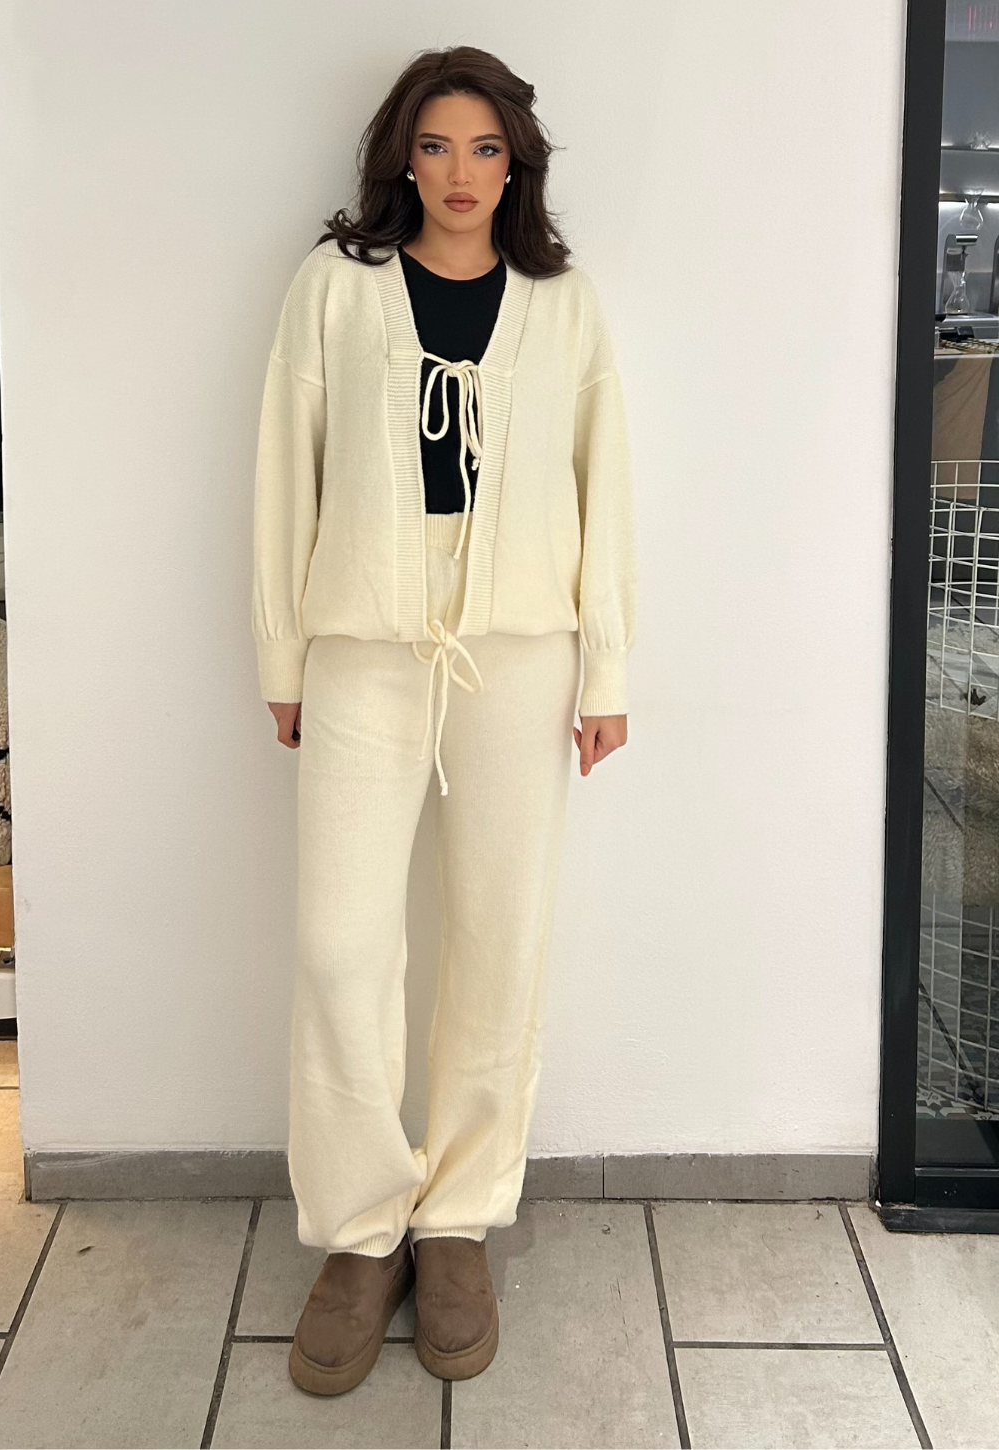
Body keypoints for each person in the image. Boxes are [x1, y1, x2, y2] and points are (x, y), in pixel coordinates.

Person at [251, 43, 637, 1396]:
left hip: (518, 653)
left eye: (485, 148)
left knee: (498, 933)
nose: (461, 174)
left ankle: (459, 1216)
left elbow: (604, 487)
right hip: (363, 647)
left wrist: (605, 671)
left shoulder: (562, 304)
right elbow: (283, 475)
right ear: (399, 159)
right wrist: (283, 654)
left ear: (515, 163)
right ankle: (363, 1227)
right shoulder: (335, 287)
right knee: (341, 945)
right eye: (435, 146)